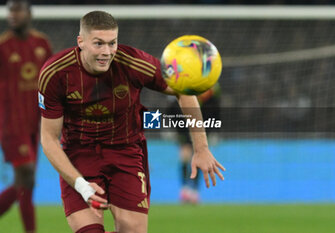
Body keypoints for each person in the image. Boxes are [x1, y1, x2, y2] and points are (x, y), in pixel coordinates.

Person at [39, 11, 225, 233]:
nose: (106, 52)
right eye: (98, 44)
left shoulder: (134, 62)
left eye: (112, 43)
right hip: (80, 155)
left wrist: (201, 148)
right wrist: (81, 184)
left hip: (125, 152)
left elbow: (184, 91)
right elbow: (48, 138)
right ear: (81, 42)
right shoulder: (55, 74)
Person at [0, 0, 52, 232]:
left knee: (26, 186)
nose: (13, 14)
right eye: (10, 10)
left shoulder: (41, 43)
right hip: (11, 124)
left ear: (28, 13)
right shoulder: (2, 47)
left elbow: (52, 81)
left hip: (35, 125)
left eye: (17, 10)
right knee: (27, 175)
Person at [168, 84, 221, 204]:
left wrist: (214, 132)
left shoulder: (210, 95)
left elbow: (215, 113)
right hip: (184, 130)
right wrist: (169, 128)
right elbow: (171, 109)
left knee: (198, 159)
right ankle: (185, 189)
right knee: (185, 157)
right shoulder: (182, 89)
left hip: (201, 131)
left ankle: (195, 191)